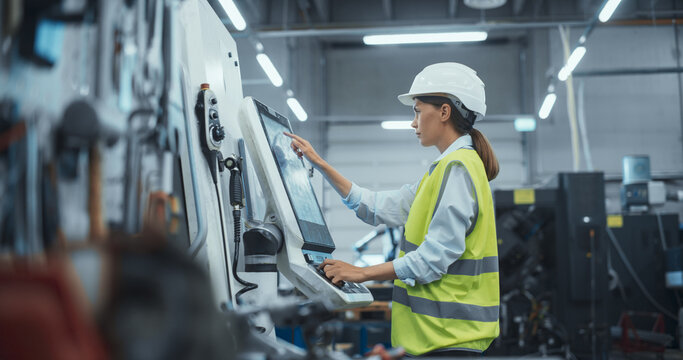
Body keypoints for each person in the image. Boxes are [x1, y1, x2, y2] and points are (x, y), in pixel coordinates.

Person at [284, 62, 500, 357]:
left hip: (449, 341)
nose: (414, 122)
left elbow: (433, 260)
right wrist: (319, 164)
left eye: (417, 110)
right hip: (437, 341)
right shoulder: (442, 171)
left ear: (445, 112)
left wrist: (362, 273)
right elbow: (375, 207)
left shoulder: (458, 169)